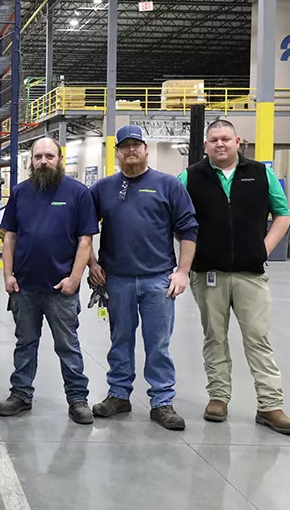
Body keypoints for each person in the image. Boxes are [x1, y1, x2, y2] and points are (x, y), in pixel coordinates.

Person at [179, 119, 290, 434]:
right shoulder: (190, 177)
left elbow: (283, 214)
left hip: (250, 274)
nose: (220, 144)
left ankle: (270, 405)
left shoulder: (260, 173)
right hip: (208, 274)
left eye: (226, 139)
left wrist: (264, 248)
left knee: (258, 338)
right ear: (206, 145)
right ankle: (218, 398)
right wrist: (187, 257)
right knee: (214, 337)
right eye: (214, 140)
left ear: (238, 142)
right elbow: (173, 216)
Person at [89, 125, 198, 431]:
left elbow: (188, 229)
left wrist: (182, 272)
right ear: (118, 152)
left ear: (146, 149)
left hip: (158, 280)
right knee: (119, 340)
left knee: (158, 344)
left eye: (137, 145)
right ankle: (119, 394)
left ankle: (162, 401)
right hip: (117, 279)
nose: (131, 150)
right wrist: (92, 264)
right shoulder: (103, 188)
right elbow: (83, 229)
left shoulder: (168, 185)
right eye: (125, 146)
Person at [0, 138, 99, 424]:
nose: (43, 161)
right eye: (38, 156)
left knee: (68, 345)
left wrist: (75, 278)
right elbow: (11, 238)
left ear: (60, 158)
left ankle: (78, 398)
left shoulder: (78, 193)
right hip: (25, 288)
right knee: (24, 343)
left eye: (49, 156)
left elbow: (85, 240)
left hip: (61, 289)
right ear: (31, 160)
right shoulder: (20, 193)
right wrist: (8, 275)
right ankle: (21, 393)